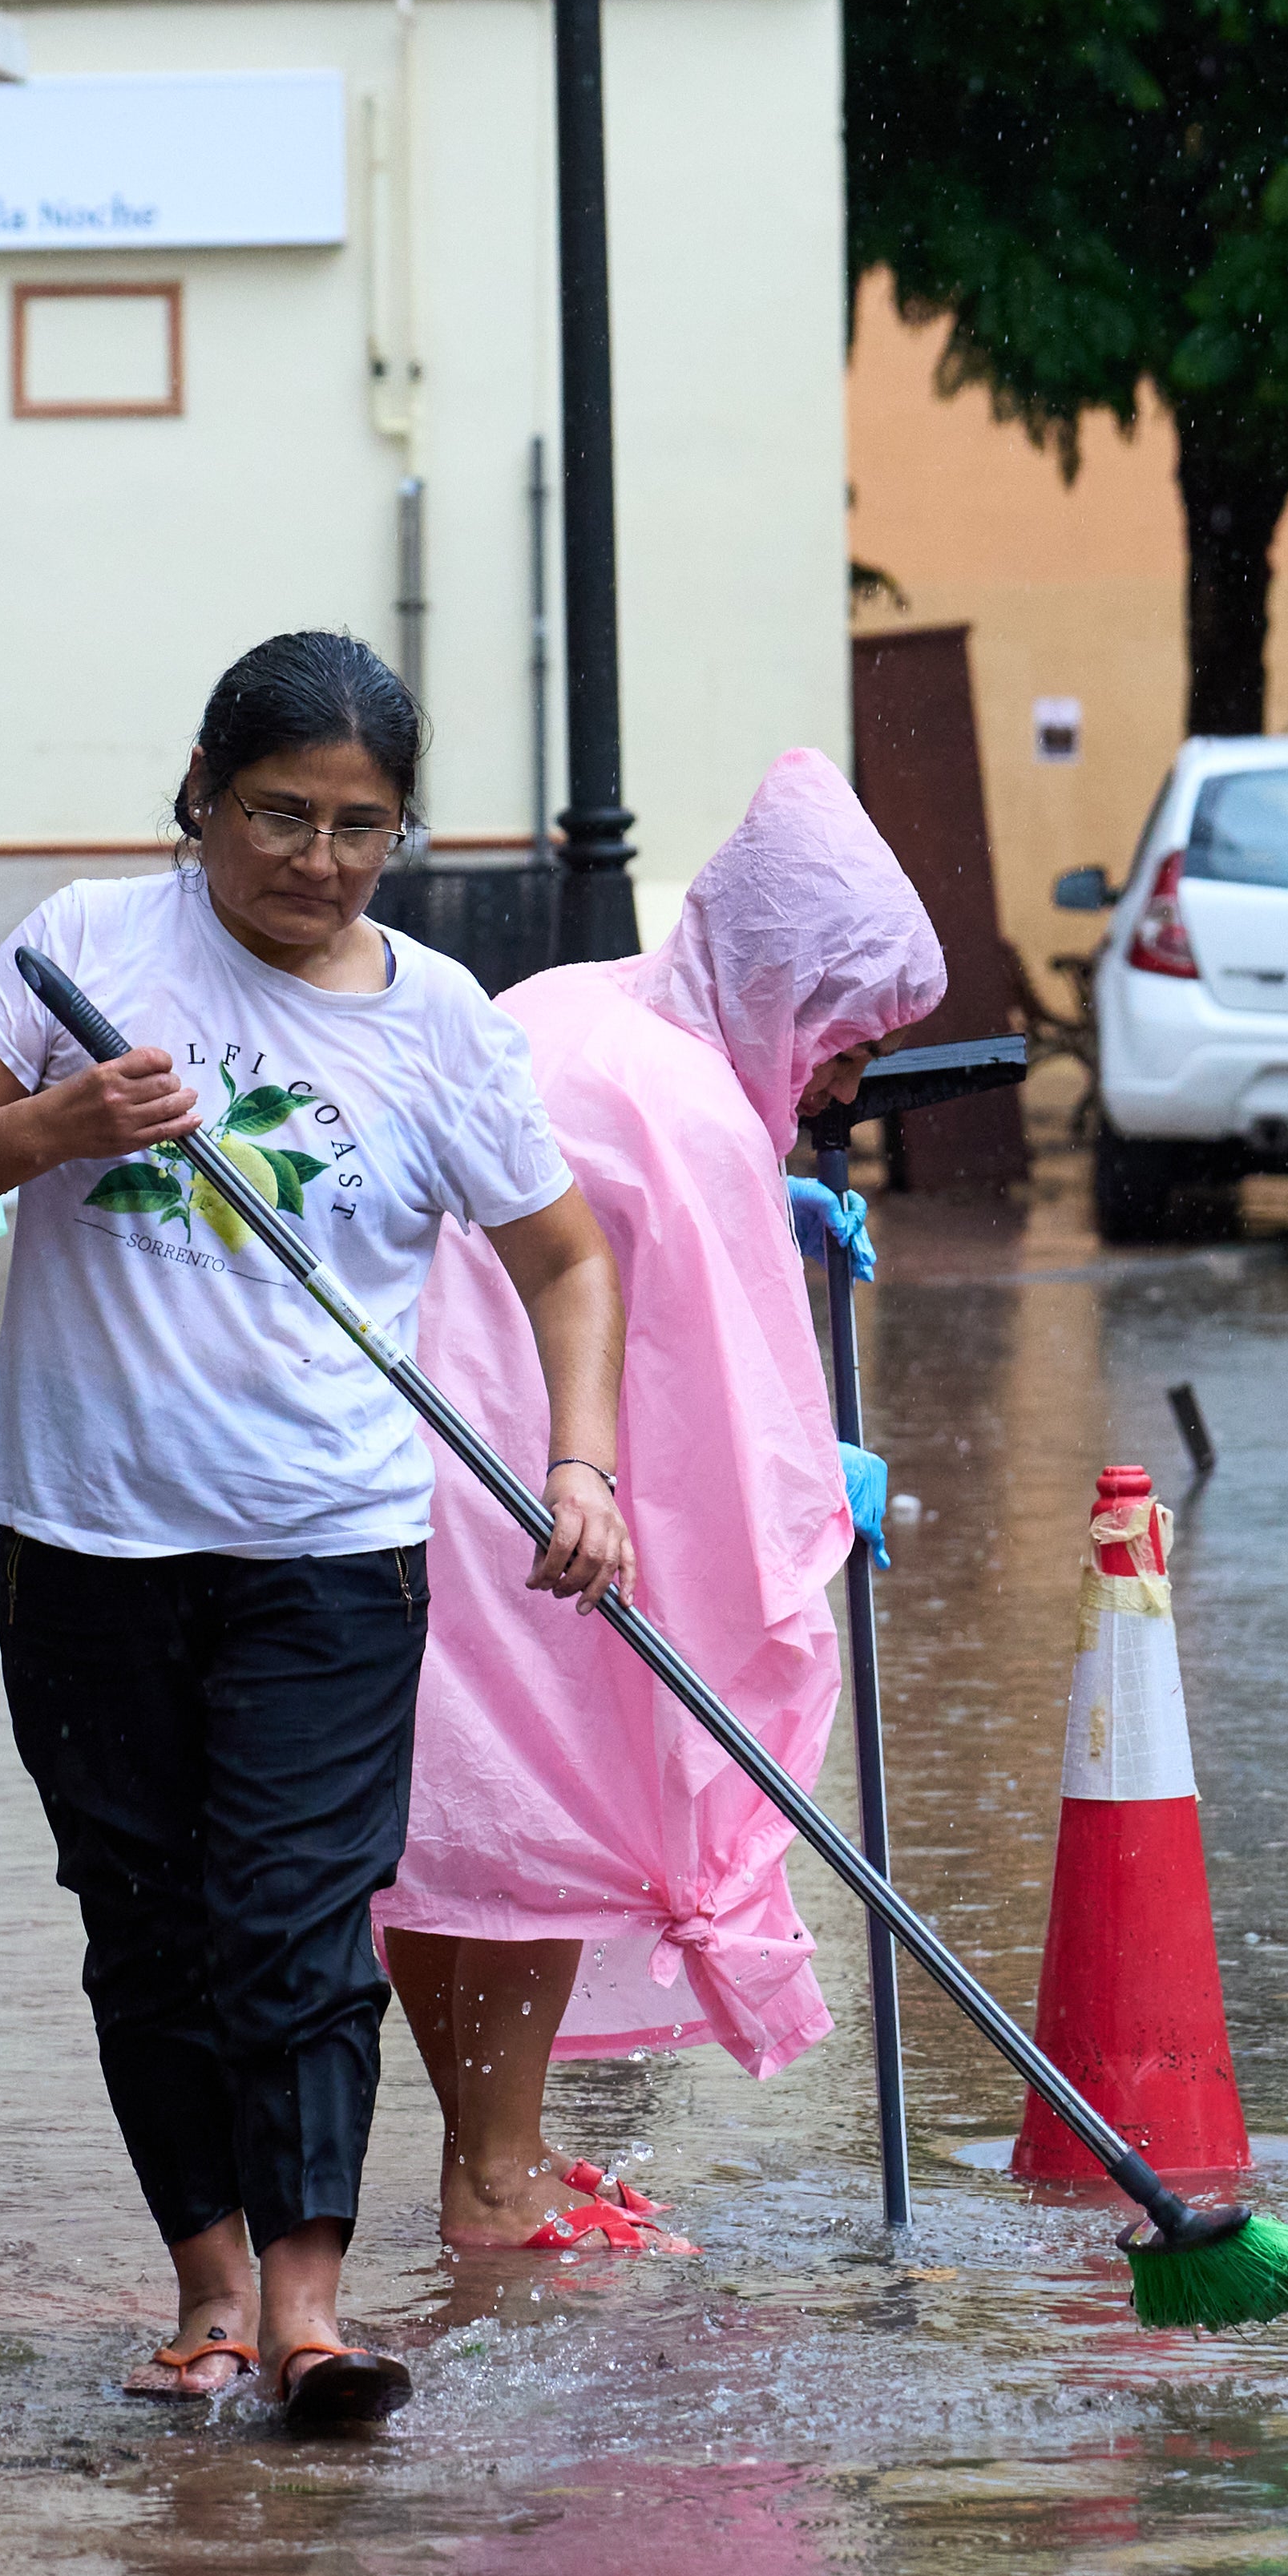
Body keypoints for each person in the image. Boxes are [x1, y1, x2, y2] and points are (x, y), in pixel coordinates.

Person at [0, 632, 636, 2431]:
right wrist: (48, 1124)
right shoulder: (89, 947)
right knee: (142, 1919)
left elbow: (565, 1255)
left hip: (330, 1544)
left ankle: (306, 2310)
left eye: (362, 825)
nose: (316, 859)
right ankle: (202, 2289)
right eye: (279, 813)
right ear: (201, 790)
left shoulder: (436, 1016)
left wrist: (582, 1464)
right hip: (85, 1538)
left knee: (295, 1915)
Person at [383, 752, 951, 2251]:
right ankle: (497, 2192)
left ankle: (491, 2151)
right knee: (551, 1830)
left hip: (418, 1467)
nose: (846, 1085)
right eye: (847, 1041)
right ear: (788, 987)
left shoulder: (581, 1000)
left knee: (452, 1832)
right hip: (544, 1494)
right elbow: (727, 1412)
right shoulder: (689, 1106)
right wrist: (818, 1492)